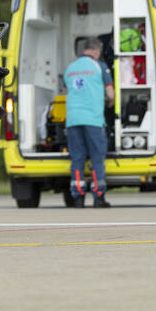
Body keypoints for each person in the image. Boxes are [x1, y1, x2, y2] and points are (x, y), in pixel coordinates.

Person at [64, 37, 114, 207]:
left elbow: (67, 90)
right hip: (93, 119)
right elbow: (110, 93)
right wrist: (110, 103)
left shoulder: (70, 68)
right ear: (95, 51)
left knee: (77, 158)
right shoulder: (100, 67)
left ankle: (77, 197)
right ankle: (98, 196)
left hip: (72, 119)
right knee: (96, 158)